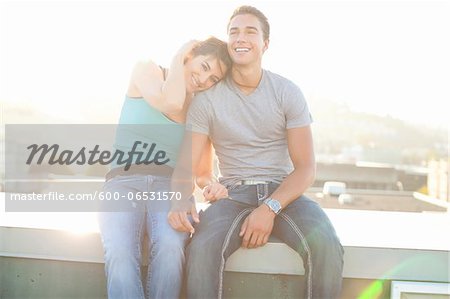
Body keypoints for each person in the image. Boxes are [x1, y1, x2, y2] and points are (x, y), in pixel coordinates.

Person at [169, 6, 344, 299]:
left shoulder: (287, 92)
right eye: (234, 32)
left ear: (265, 44)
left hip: (284, 194)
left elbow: (305, 169)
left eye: (251, 31)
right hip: (233, 194)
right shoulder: (206, 101)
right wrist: (193, 192)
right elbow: (190, 169)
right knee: (200, 249)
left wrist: (269, 209)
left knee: (326, 243)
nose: (241, 38)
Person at [98, 37, 231, 299]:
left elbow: (203, 172)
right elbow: (170, 102)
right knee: (120, 253)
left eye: (214, 78)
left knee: (171, 249)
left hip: (170, 190)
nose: (204, 80)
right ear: (190, 55)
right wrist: (180, 53)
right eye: (204, 67)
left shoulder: (200, 108)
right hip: (122, 183)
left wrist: (211, 185)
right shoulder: (147, 69)